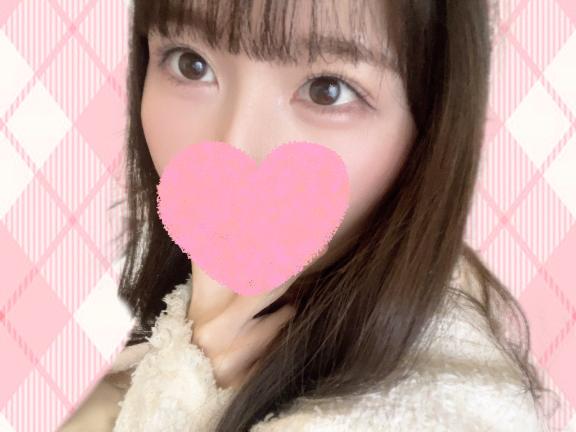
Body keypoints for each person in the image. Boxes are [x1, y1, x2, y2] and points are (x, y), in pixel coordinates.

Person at [57, 0, 556, 431]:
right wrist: (183, 369)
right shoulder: (181, 331)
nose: (233, 147)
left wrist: (175, 401)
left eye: (327, 90)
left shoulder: (440, 409)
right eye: (191, 63)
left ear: (429, 130)